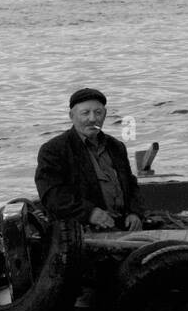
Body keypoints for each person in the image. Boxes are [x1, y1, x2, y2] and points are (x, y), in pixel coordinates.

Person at [35, 88, 144, 231]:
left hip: (122, 225)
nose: (93, 119)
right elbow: (52, 195)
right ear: (72, 116)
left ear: (104, 115)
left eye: (98, 113)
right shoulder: (53, 150)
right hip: (78, 230)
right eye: (85, 113)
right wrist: (89, 213)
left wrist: (134, 213)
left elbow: (131, 184)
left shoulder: (116, 146)